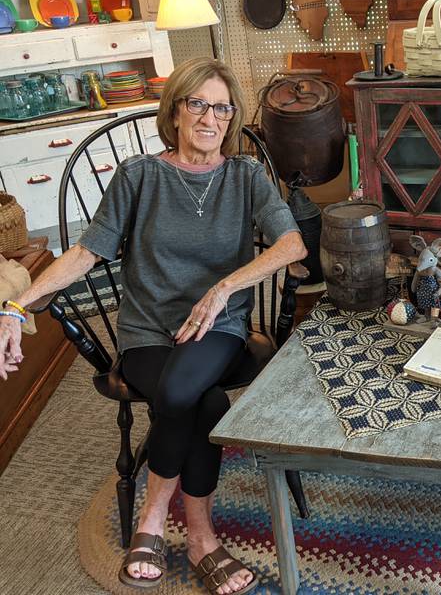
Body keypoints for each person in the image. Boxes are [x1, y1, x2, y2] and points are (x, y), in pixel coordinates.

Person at [0, 57, 306, 595]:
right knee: (205, 403)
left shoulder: (245, 175)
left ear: (232, 118)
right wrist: (17, 305)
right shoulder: (139, 175)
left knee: (187, 387)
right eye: (198, 104)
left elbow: (291, 245)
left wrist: (223, 290)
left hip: (221, 332)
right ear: (177, 110)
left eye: (223, 107)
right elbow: (84, 253)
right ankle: (202, 538)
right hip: (147, 337)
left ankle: (150, 520)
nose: (211, 117)